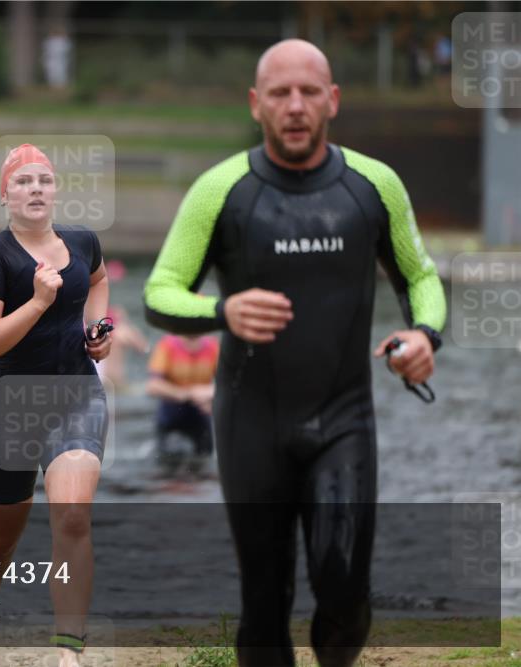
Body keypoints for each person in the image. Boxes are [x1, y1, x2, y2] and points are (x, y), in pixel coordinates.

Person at [143, 39, 445, 667]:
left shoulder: (374, 185)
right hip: (251, 423)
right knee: (264, 602)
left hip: (344, 419)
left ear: (333, 99)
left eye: (309, 91)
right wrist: (223, 311)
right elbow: (159, 292)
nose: (296, 106)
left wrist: (423, 334)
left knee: (343, 589)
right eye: (280, 93)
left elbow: (420, 275)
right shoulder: (220, 190)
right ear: (257, 104)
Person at [0, 143, 110, 667]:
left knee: (71, 516)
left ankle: (68, 651)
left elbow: (98, 280)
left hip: (76, 396)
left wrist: (98, 329)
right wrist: (39, 302)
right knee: (0, 539)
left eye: (44, 180)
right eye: (23, 181)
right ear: (5, 195)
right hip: (6, 410)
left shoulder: (82, 241)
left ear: (56, 191)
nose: (35, 189)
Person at [145, 333, 219, 474]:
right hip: (171, 415)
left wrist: (208, 394)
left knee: (204, 462)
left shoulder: (212, 347)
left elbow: (227, 385)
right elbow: (152, 386)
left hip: (201, 415)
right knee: (167, 464)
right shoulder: (168, 345)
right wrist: (188, 394)